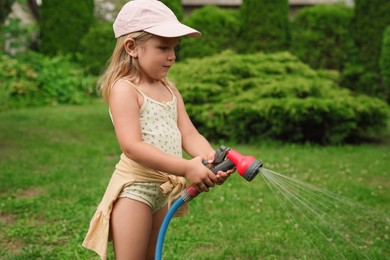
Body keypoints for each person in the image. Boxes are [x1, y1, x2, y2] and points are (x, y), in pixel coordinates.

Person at [82, 0, 234, 259]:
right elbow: (132, 147)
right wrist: (186, 167)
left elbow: (189, 134)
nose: (172, 56)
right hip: (135, 191)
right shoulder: (125, 89)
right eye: (163, 47)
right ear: (132, 47)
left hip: (162, 190)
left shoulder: (169, 89)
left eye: (174, 48)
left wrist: (210, 160)